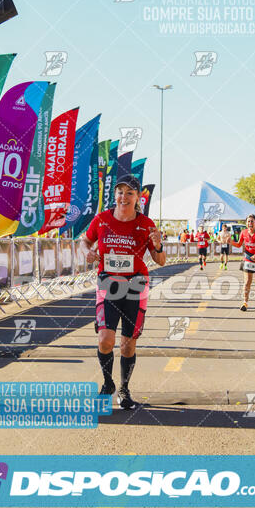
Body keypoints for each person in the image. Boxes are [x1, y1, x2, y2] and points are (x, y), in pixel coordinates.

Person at [80, 174, 166, 410]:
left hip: (136, 284)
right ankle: (108, 383)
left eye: (130, 193)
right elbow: (85, 241)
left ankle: (125, 388)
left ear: (138, 197)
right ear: (114, 195)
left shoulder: (146, 224)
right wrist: (86, 251)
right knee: (105, 339)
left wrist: (158, 245)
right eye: (120, 192)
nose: (124, 197)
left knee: (128, 344)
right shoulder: (101, 219)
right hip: (108, 282)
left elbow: (160, 260)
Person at [232, 214, 255, 312]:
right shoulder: (243, 232)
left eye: (252, 221)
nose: (250, 223)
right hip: (248, 259)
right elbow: (239, 244)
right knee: (247, 282)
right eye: (248, 221)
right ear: (246, 223)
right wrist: (230, 242)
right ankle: (245, 302)